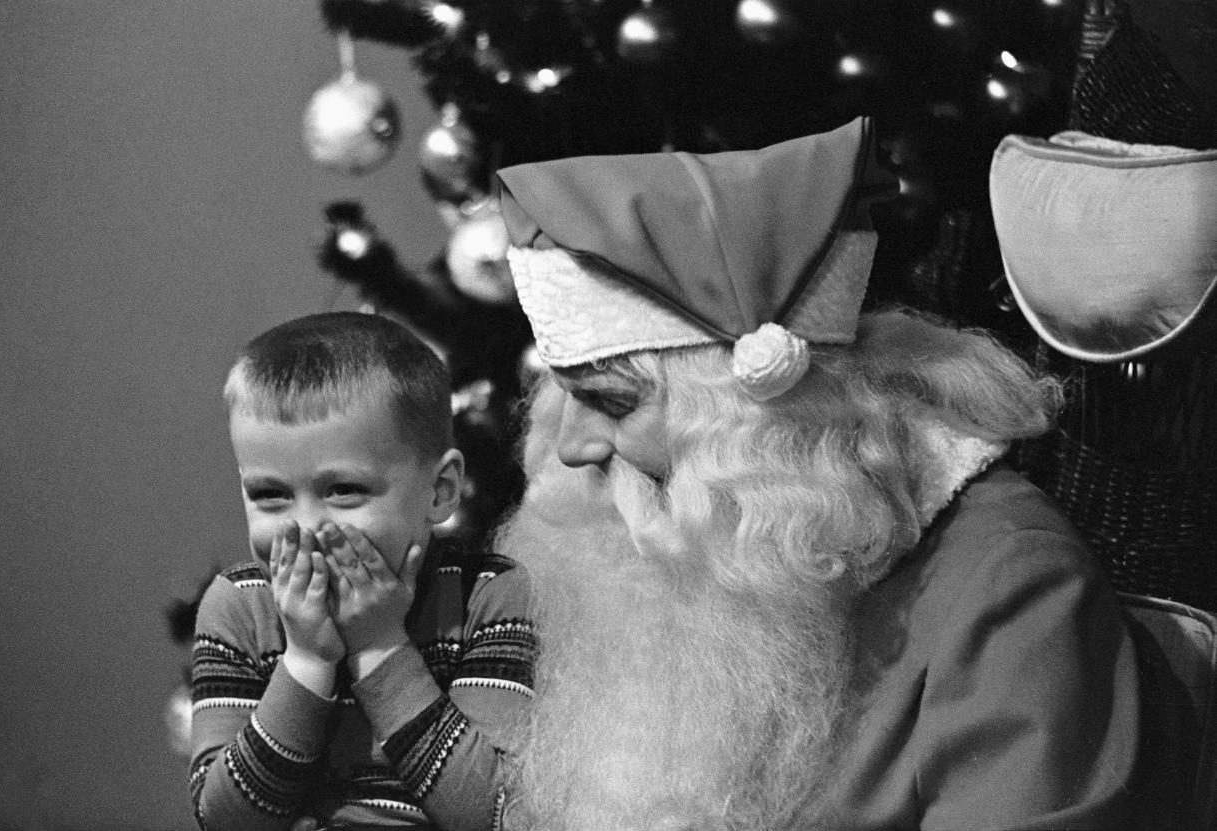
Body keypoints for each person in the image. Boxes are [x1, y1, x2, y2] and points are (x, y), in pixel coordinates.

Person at [489, 117, 1141, 830]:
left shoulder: (1010, 584)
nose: (574, 446)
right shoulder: (693, 551)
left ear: (748, 411)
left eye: (611, 402)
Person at [189, 311, 535, 830]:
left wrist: (379, 647)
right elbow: (226, 821)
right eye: (270, 495)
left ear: (440, 491)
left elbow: (495, 813)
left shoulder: (488, 596)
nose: (305, 527)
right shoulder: (238, 606)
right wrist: (305, 660)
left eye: (343, 490)